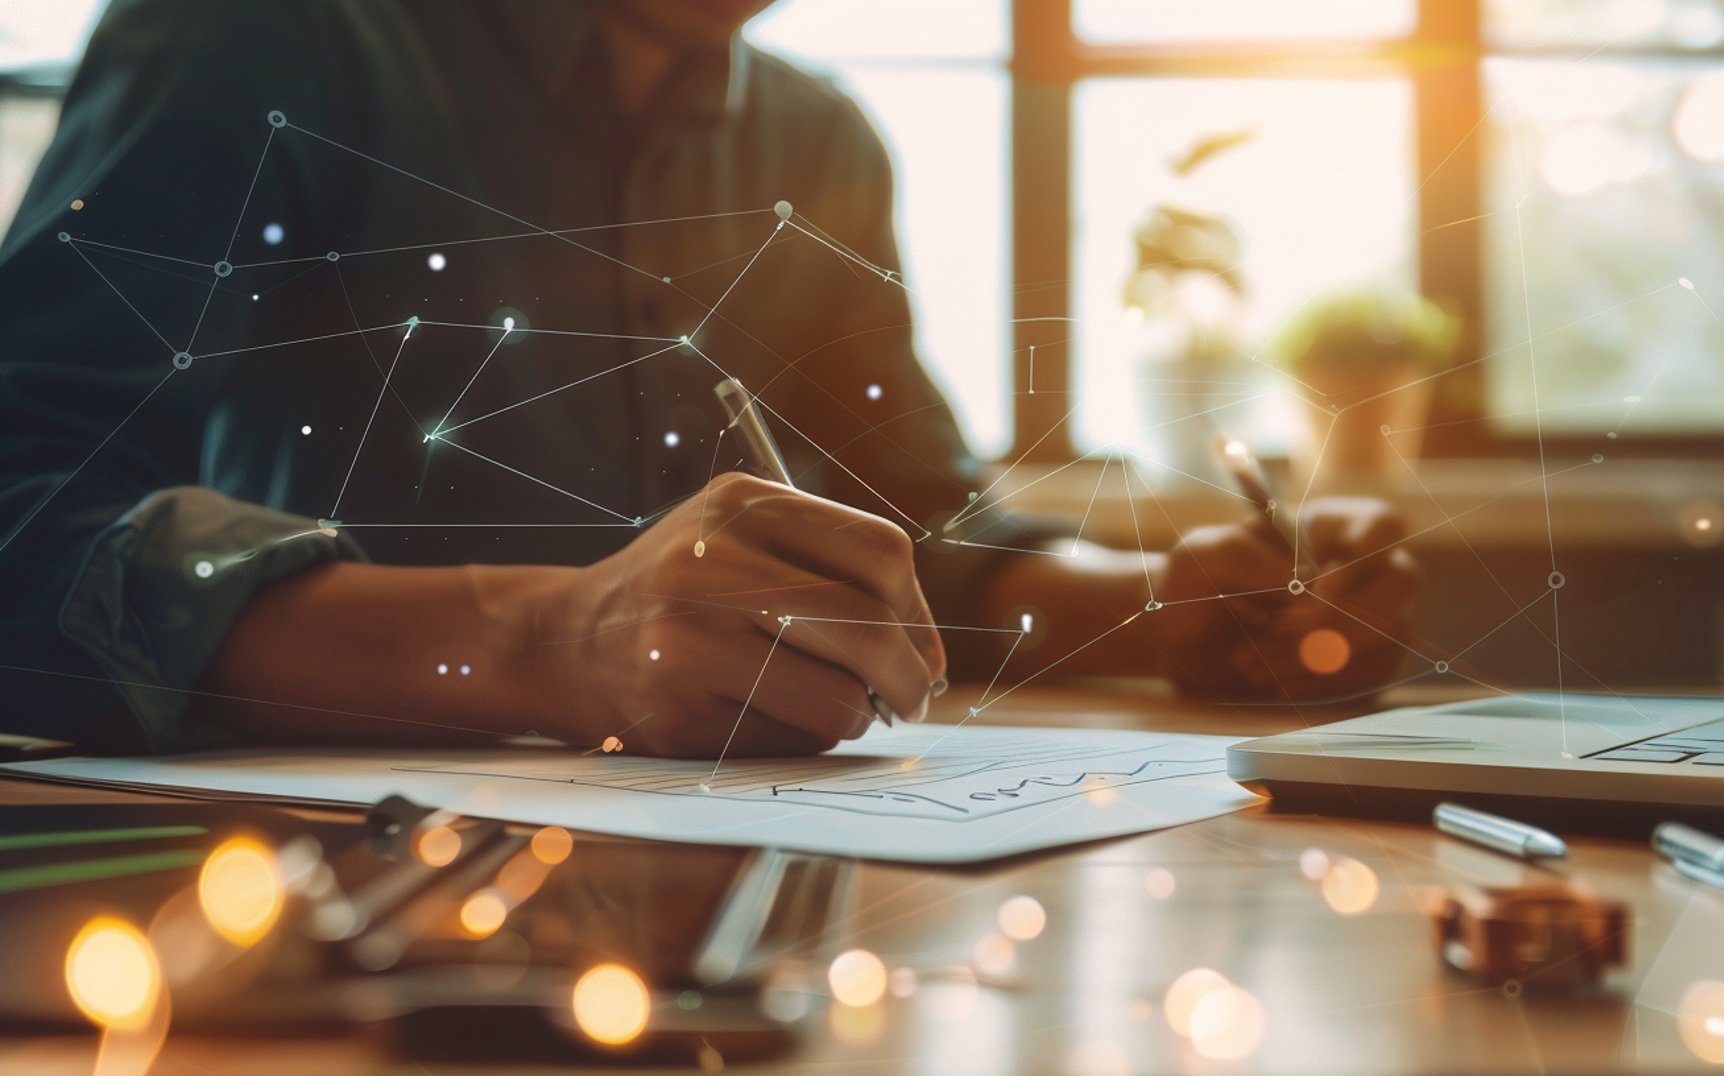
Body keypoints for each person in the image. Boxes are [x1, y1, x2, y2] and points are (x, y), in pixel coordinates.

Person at [0, 0, 1416, 759]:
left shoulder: (818, 141)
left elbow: (915, 537)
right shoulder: (256, 38)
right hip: (315, 904)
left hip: (753, 881)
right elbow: (19, 505)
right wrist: (548, 642)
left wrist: (1163, 617)